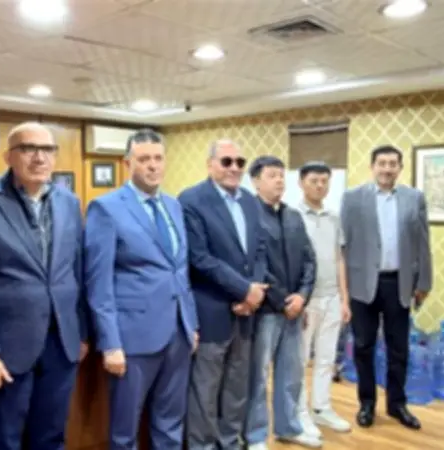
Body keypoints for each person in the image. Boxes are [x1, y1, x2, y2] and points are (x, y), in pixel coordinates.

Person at [0, 122, 88, 449]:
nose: (39, 158)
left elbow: (77, 272)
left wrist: (81, 332)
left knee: (52, 437)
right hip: (7, 348)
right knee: (4, 440)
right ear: (8, 157)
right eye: (28, 149)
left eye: (47, 149)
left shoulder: (69, 202)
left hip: (61, 343)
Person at [84, 129, 197, 450]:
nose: (152, 165)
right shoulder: (106, 208)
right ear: (127, 163)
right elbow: (98, 283)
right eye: (144, 158)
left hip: (178, 334)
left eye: (158, 158)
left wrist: (191, 324)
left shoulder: (173, 206)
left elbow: (180, 269)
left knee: (170, 423)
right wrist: (110, 343)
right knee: (125, 431)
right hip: (132, 338)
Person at [179, 139, 268, 450]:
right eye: (226, 161)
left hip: (246, 312)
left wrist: (254, 292)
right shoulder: (191, 200)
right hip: (211, 310)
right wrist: (244, 289)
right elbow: (200, 258)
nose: (234, 168)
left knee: (236, 385)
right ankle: (202, 445)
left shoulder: (250, 201)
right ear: (210, 164)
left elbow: (259, 250)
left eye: (240, 162)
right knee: (205, 388)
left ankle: (230, 441)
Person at [340, 145, 432, 430]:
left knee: (398, 348)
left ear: (400, 168)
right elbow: (343, 245)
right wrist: (342, 290)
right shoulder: (352, 198)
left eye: (393, 164)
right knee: (363, 346)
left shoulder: (414, 198)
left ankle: (397, 404)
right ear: (372, 166)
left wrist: (424, 282)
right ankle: (366, 403)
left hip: (399, 282)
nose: (387, 169)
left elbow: (423, 242)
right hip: (362, 284)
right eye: (382, 163)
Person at [242, 157, 319, 449]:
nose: (279, 181)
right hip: (266, 310)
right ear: (256, 181)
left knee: (292, 373)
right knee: (259, 376)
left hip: (295, 309)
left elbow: (310, 260)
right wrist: (281, 300)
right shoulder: (249, 215)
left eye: (281, 175)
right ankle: (255, 435)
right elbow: (256, 265)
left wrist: (302, 296)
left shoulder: (293, 216)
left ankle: (288, 427)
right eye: (272, 175)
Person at [296, 161, 352, 440]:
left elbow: (339, 258)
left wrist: (344, 298)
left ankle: (321, 407)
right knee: (300, 359)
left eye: (324, 181)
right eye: (314, 181)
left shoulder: (334, 216)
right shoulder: (292, 216)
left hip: (332, 297)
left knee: (327, 358)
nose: (320, 186)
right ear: (301, 183)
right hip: (307, 300)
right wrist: (299, 300)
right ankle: (299, 412)